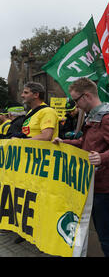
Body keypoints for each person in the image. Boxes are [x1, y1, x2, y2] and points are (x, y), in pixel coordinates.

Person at [53, 77, 109, 257]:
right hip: (95, 183)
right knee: (104, 230)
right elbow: (86, 142)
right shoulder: (94, 116)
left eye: (76, 100)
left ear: (86, 96)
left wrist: (102, 158)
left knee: (107, 234)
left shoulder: (107, 117)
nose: (76, 105)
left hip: (104, 186)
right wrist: (64, 142)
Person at [14, 82, 59, 244]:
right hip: (29, 164)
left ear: (36, 95)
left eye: (25, 92)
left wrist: (20, 142)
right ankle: (27, 231)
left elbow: (46, 136)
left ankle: (43, 235)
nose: (22, 95)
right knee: (28, 197)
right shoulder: (32, 112)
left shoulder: (47, 112)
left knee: (41, 200)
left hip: (43, 164)